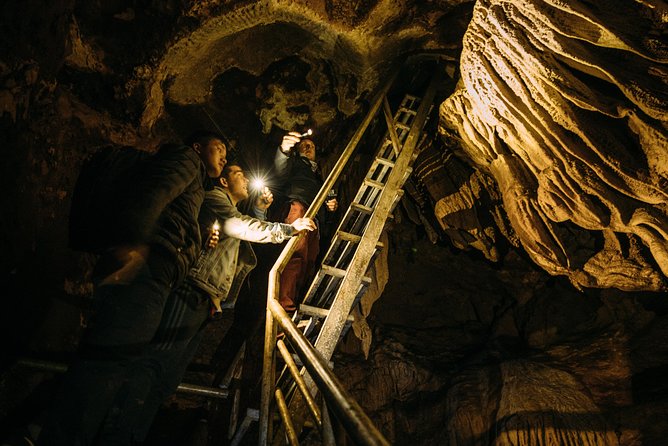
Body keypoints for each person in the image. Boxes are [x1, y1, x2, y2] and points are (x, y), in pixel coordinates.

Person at [101, 159, 316, 444]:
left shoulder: (230, 207)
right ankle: (116, 434)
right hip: (191, 290)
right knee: (155, 365)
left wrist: (261, 209)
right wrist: (287, 229)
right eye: (238, 174)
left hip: (206, 297)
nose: (243, 177)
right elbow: (242, 227)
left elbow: (244, 231)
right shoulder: (214, 198)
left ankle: (132, 433)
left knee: (166, 378)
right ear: (224, 182)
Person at [38, 131, 227, 446]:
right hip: (145, 269)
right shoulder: (186, 159)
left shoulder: (195, 191)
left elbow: (173, 228)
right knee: (106, 364)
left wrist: (196, 245)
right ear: (198, 147)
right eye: (218, 147)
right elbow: (153, 191)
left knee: (112, 361)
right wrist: (133, 243)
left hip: (156, 273)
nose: (223, 154)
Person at [272, 132, 338, 313]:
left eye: (312, 146)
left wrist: (330, 209)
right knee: (295, 254)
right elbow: (280, 170)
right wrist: (284, 149)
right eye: (304, 145)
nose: (308, 148)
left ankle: (296, 306)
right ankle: (284, 308)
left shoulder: (321, 175)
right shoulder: (294, 163)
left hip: (315, 220)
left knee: (309, 262)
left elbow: (329, 211)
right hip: (298, 207)